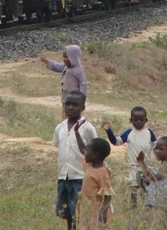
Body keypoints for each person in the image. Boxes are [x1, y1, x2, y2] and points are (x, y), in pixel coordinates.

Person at [53, 91, 97, 230]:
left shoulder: (87, 127)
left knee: (78, 212)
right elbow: (58, 146)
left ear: (82, 107)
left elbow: (95, 149)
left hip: (80, 177)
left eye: (75, 105)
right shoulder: (60, 127)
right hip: (64, 176)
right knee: (66, 213)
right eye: (67, 104)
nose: (70, 108)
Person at [103, 107, 157, 205]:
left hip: (147, 165)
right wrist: (109, 131)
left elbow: (156, 146)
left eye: (141, 120)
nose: (139, 122)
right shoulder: (129, 133)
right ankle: (134, 206)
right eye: (136, 120)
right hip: (134, 166)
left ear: (146, 120)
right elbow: (116, 142)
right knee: (134, 187)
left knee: (147, 186)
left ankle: (148, 206)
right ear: (131, 121)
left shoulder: (149, 133)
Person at [72, 124, 114, 230]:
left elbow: (108, 194)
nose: (84, 153)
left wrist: (103, 211)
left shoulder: (103, 172)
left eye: (87, 151)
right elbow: (82, 148)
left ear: (95, 155)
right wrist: (76, 132)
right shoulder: (89, 165)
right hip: (86, 206)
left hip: (96, 208)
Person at [39, 45, 88, 117]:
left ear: (74, 57)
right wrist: (46, 61)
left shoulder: (79, 71)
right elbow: (56, 66)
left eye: (66, 57)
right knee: (65, 115)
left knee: (75, 117)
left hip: (75, 98)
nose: (64, 59)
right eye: (63, 57)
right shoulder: (65, 67)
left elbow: (83, 86)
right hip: (66, 97)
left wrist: (81, 101)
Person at [136, 136, 167, 209]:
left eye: (161, 149)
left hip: (164, 200)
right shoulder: (161, 165)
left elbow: (154, 178)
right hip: (157, 199)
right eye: (156, 148)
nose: (157, 151)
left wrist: (142, 163)